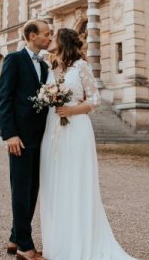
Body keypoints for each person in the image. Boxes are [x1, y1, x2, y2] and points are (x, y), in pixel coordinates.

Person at [39, 28, 136, 260]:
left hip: (76, 127)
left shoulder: (80, 66)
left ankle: (80, 243)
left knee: (76, 182)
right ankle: (59, 243)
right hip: (53, 128)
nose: (49, 39)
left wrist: (71, 110)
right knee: (54, 182)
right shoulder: (50, 67)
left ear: (63, 42)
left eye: (53, 37)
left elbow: (94, 99)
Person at [0, 20, 52, 260]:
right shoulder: (14, 59)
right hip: (18, 138)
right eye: (46, 34)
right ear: (32, 36)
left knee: (31, 190)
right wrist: (9, 134)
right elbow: (4, 99)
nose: (50, 38)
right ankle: (24, 246)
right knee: (21, 190)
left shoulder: (44, 64)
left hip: (40, 138)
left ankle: (14, 237)